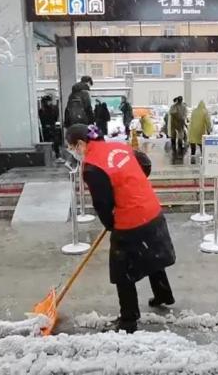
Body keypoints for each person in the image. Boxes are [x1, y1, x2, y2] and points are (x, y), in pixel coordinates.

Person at [66, 124, 176, 333]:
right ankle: (163, 294)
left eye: (71, 147)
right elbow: (144, 165)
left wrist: (111, 225)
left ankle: (128, 319)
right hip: (151, 208)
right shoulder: (120, 147)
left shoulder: (92, 166)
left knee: (122, 270)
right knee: (150, 252)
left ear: (81, 144)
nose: (72, 152)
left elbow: (103, 203)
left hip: (131, 219)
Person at [39, 95, 63, 163]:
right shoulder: (53, 109)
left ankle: (48, 157)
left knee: (48, 142)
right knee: (55, 142)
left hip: (46, 128)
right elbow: (55, 118)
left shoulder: (41, 110)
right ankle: (57, 156)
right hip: (52, 127)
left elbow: (42, 120)